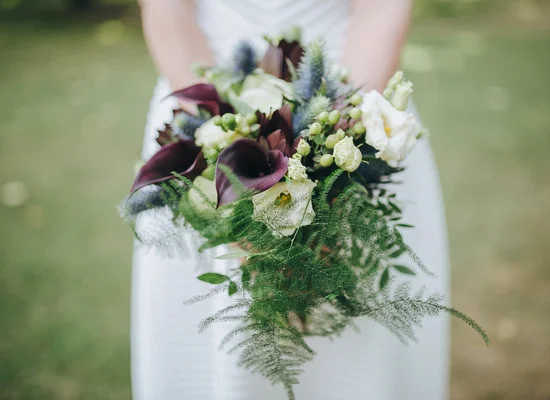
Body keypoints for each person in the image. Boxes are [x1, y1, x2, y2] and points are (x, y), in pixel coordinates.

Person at [132, 0, 450, 399]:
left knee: (356, 354)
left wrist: (335, 150)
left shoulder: (349, 121)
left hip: (357, 91)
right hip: (195, 100)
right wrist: (225, 162)